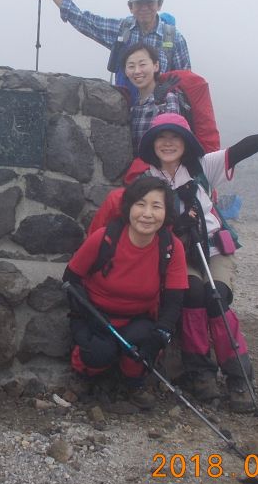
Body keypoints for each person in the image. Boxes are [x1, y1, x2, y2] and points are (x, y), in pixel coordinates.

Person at [89, 109, 258, 412]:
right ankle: (201, 373)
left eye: (174, 137)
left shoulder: (202, 167)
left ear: (186, 142)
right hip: (176, 255)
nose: (167, 144)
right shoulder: (147, 179)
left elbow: (241, 150)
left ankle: (238, 375)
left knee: (217, 298)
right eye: (161, 137)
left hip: (214, 249)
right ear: (151, 143)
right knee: (191, 294)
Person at [64, 176, 188, 410]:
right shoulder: (104, 238)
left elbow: (174, 299)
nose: (147, 214)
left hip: (138, 317)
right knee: (100, 351)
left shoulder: (171, 247)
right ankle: (84, 374)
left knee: (144, 344)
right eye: (140, 204)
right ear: (128, 206)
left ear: (167, 212)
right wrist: (89, 316)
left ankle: (134, 382)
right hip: (95, 315)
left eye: (156, 206)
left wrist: (162, 332)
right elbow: (71, 278)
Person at [34, 0, 190, 92]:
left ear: (159, 4)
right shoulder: (122, 30)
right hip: (126, 112)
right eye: (138, 3)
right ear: (130, 7)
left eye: (149, 2)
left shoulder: (174, 39)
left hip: (162, 116)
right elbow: (86, 22)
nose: (144, 7)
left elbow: (187, 82)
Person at [122, 44, 182, 154]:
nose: (137, 71)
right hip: (138, 169)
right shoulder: (134, 106)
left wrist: (159, 104)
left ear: (156, 66)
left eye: (142, 64)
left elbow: (171, 139)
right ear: (125, 71)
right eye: (131, 66)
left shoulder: (168, 98)